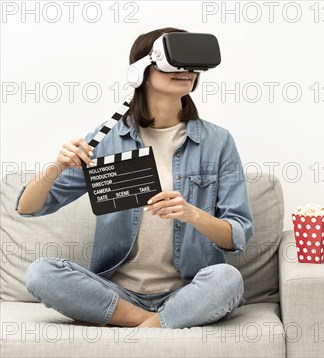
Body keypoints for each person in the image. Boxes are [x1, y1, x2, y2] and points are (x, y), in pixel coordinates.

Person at [15, 27, 254, 329]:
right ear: (141, 70)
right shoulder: (108, 138)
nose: (186, 71)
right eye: (175, 62)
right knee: (40, 273)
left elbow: (237, 234)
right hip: (117, 293)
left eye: (192, 65)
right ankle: (152, 323)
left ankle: (145, 322)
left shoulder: (218, 142)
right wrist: (56, 167)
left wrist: (192, 214)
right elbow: (29, 207)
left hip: (188, 291)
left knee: (228, 279)